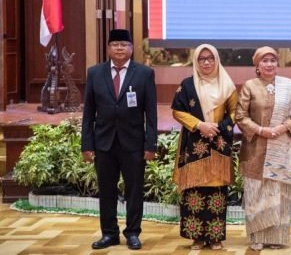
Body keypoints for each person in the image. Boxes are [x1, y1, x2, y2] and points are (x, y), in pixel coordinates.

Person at [81, 29, 157, 250]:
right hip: (104, 142)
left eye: (124, 44)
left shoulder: (144, 73)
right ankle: (109, 233)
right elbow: (88, 113)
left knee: (134, 190)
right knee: (106, 190)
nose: (120, 48)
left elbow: (150, 113)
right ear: (108, 48)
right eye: (115, 44)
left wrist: (150, 144)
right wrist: (87, 144)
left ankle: (133, 233)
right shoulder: (95, 73)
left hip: (133, 143)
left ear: (131, 49)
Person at [171, 44, 238, 250]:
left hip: (218, 143)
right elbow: (177, 111)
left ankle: (215, 236)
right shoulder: (187, 85)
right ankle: (197, 237)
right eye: (202, 59)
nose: (207, 62)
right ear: (196, 62)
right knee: (194, 190)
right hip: (194, 144)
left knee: (216, 191)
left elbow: (235, 113)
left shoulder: (227, 85)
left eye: (210, 58)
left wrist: (218, 127)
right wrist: (199, 125)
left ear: (217, 60)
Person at [236, 46, 291, 250]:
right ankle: (257, 236)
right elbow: (240, 116)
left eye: (273, 60)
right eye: (264, 60)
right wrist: (261, 130)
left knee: (278, 192)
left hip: (281, 147)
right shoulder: (249, 86)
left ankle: (276, 237)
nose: (269, 64)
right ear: (257, 64)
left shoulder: (289, 86)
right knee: (256, 193)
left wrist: (283, 127)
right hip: (255, 147)